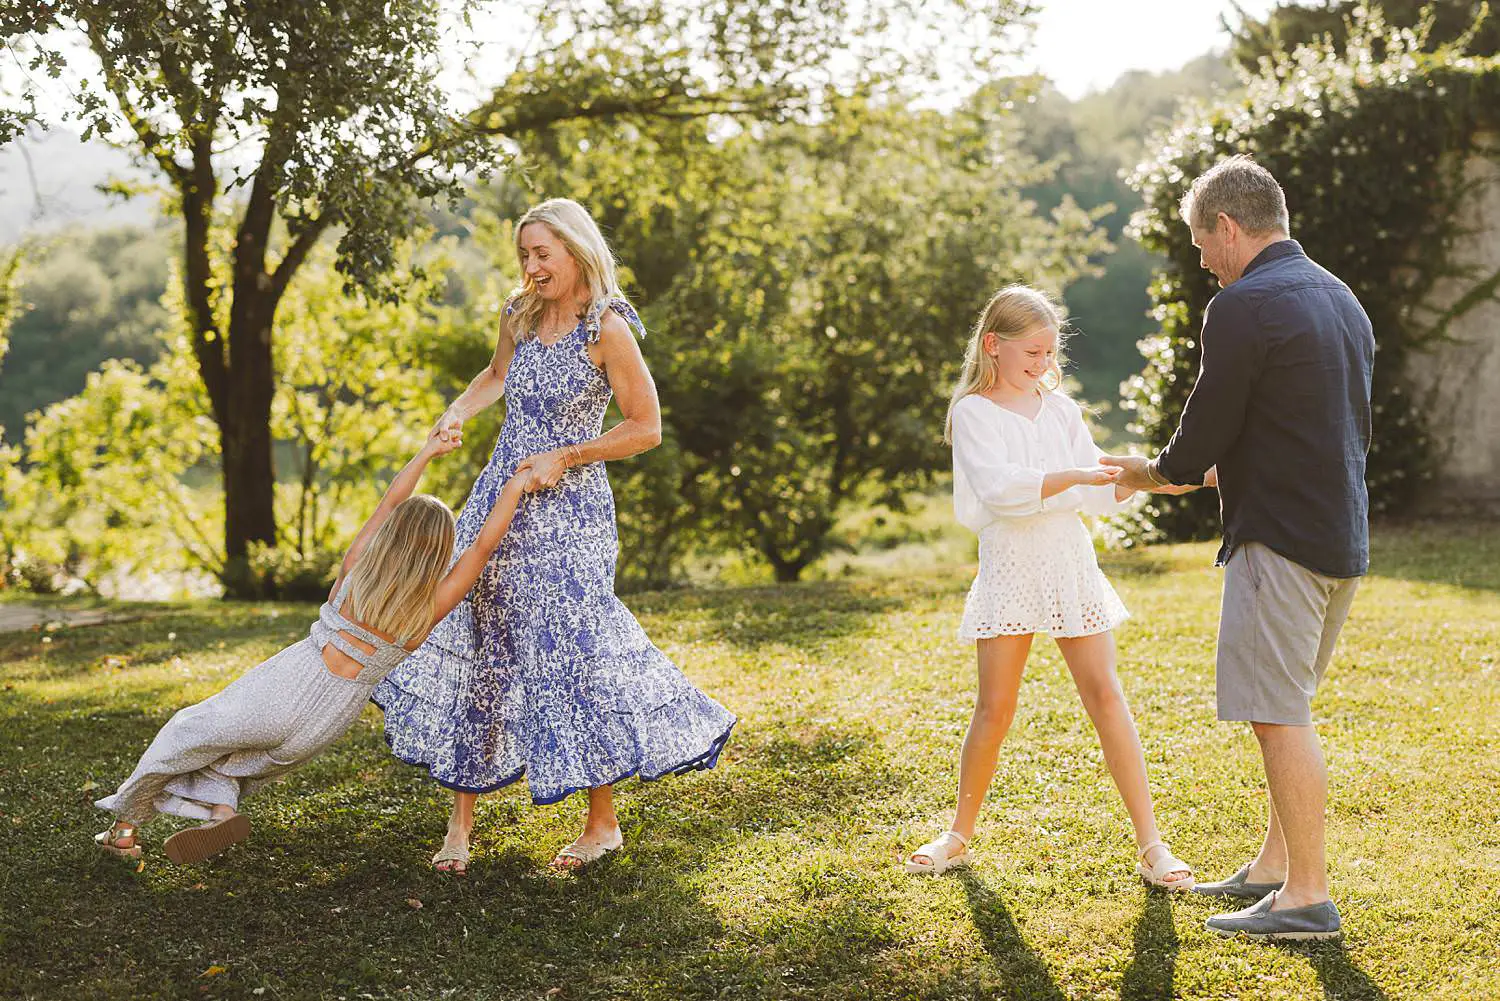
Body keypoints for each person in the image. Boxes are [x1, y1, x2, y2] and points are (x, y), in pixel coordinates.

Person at [374, 198, 735, 874]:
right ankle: (459, 826)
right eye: (524, 256)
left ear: (575, 251)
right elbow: (496, 376)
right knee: (483, 641)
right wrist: (455, 412)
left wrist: (565, 456)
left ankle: (602, 823)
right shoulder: (518, 314)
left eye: (543, 254)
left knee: (574, 649)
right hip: (498, 498)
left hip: (572, 514)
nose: (532, 267)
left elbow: (645, 427)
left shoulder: (607, 329)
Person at [1104, 155, 1373, 941]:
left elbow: (1198, 438)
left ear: (1228, 226)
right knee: (1286, 706)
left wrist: (1152, 473)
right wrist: (1227, 467)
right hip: (1338, 537)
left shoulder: (1242, 305)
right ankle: (1272, 870)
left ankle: (1307, 897)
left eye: (1199, 242)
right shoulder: (1341, 297)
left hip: (1280, 541)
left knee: (1277, 715)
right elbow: (1326, 429)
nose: (1201, 260)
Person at [93, 429, 535, 864]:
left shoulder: (357, 570)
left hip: (288, 688)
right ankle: (222, 814)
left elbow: (391, 502)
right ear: (440, 553)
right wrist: (515, 485)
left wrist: (426, 453)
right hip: (325, 723)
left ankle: (124, 830)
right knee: (236, 759)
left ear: (392, 537)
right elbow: (483, 545)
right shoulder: (427, 608)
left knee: (188, 732)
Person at [904, 284, 1195, 892]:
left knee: (1106, 698)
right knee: (995, 709)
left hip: (1068, 562)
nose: (1042, 364)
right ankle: (958, 835)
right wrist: (1077, 474)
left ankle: (1152, 846)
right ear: (994, 346)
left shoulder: (1060, 410)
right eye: (1031, 353)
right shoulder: (972, 412)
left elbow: (1094, 486)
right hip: (1010, 565)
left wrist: (1161, 479)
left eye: (1048, 353)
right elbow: (1002, 489)